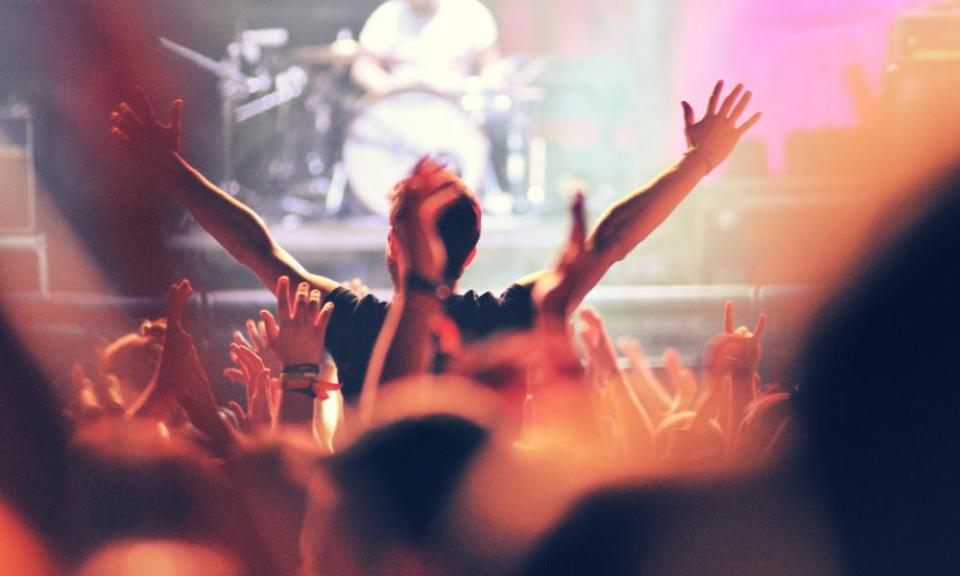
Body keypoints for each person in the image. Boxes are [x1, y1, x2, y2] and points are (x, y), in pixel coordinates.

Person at [109, 80, 760, 400]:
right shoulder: (509, 314)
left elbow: (257, 249)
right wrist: (695, 164)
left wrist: (170, 170)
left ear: (393, 246)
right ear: (472, 254)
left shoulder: (354, 321)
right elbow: (611, 241)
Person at [351, 0, 502, 96]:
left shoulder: (470, 12)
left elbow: (491, 65)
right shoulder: (387, 15)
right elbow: (364, 66)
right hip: (401, 109)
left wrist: (478, 90)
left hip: (455, 108)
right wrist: (388, 90)